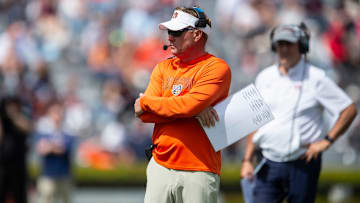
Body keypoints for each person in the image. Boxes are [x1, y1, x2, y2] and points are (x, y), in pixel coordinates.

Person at [240, 23, 358, 203]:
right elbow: (255, 119)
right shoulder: (265, 77)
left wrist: (327, 141)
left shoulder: (316, 77)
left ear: (301, 47)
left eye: (289, 44)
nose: (284, 49)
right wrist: (247, 159)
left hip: (302, 162)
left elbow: (348, 109)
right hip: (268, 161)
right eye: (280, 45)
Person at [134, 6, 231, 203]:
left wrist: (148, 102)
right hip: (160, 164)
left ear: (196, 35)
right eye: (170, 32)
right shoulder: (162, 67)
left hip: (200, 168)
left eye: (176, 32)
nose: (169, 37)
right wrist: (194, 110)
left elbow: (184, 105)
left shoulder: (216, 68)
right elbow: (143, 114)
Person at [35, 101, 75, 203]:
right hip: (48, 173)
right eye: (54, 112)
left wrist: (50, 145)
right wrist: (55, 146)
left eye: (59, 112)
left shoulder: (68, 131)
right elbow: (41, 149)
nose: (57, 115)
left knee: (66, 199)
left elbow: (63, 149)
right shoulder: (43, 130)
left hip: (64, 174)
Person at [0, 96, 32, 203]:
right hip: (3, 165)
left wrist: (14, 116)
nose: (11, 108)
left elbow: (28, 128)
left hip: (18, 165)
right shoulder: (3, 119)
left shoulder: (23, 116)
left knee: (20, 196)